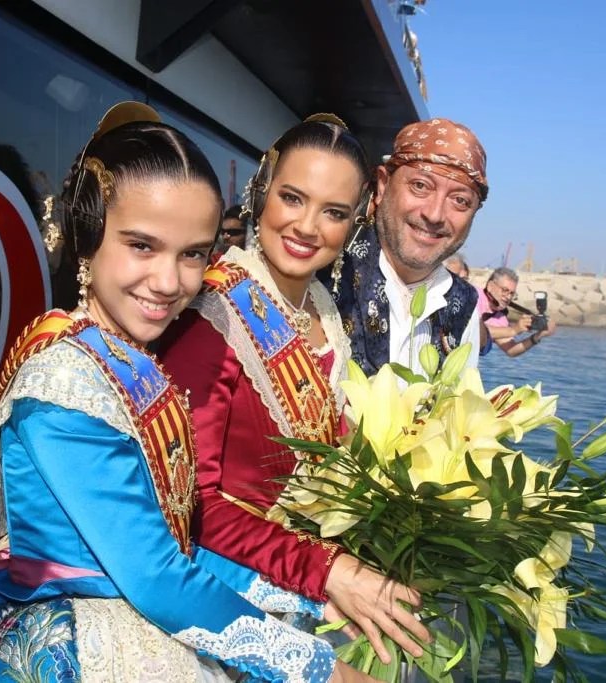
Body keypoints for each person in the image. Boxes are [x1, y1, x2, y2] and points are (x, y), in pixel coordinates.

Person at [0, 102, 365, 683]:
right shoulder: (63, 382)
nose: (169, 281)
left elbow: (170, 544)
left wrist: (305, 600)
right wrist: (316, 668)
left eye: (193, 255)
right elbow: (155, 574)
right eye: (142, 246)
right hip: (80, 643)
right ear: (90, 234)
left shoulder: (127, 357)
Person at [160, 114, 429, 665]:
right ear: (261, 193)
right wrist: (330, 571)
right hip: (220, 597)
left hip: (299, 587)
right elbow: (188, 500)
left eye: (333, 212)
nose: (307, 226)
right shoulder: (212, 313)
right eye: (292, 198)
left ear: (356, 223)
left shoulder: (323, 312)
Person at [325, 118, 489, 377]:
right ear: (382, 185)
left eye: (459, 200)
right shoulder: (326, 271)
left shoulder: (465, 305)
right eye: (420, 186)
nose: (435, 215)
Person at [482, 266, 557, 357]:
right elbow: (472, 328)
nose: (508, 297)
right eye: (505, 290)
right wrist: (514, 329)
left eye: (512, 293)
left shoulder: (500, 319)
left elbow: (511, 350)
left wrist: (538, 336)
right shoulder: (472, 296)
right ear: (490, 286)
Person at [443, 252, 494, 357]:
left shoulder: (468, 307)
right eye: (456, 277)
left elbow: (483, 346)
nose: (461, 285)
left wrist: (474, 312)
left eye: (464, 280)